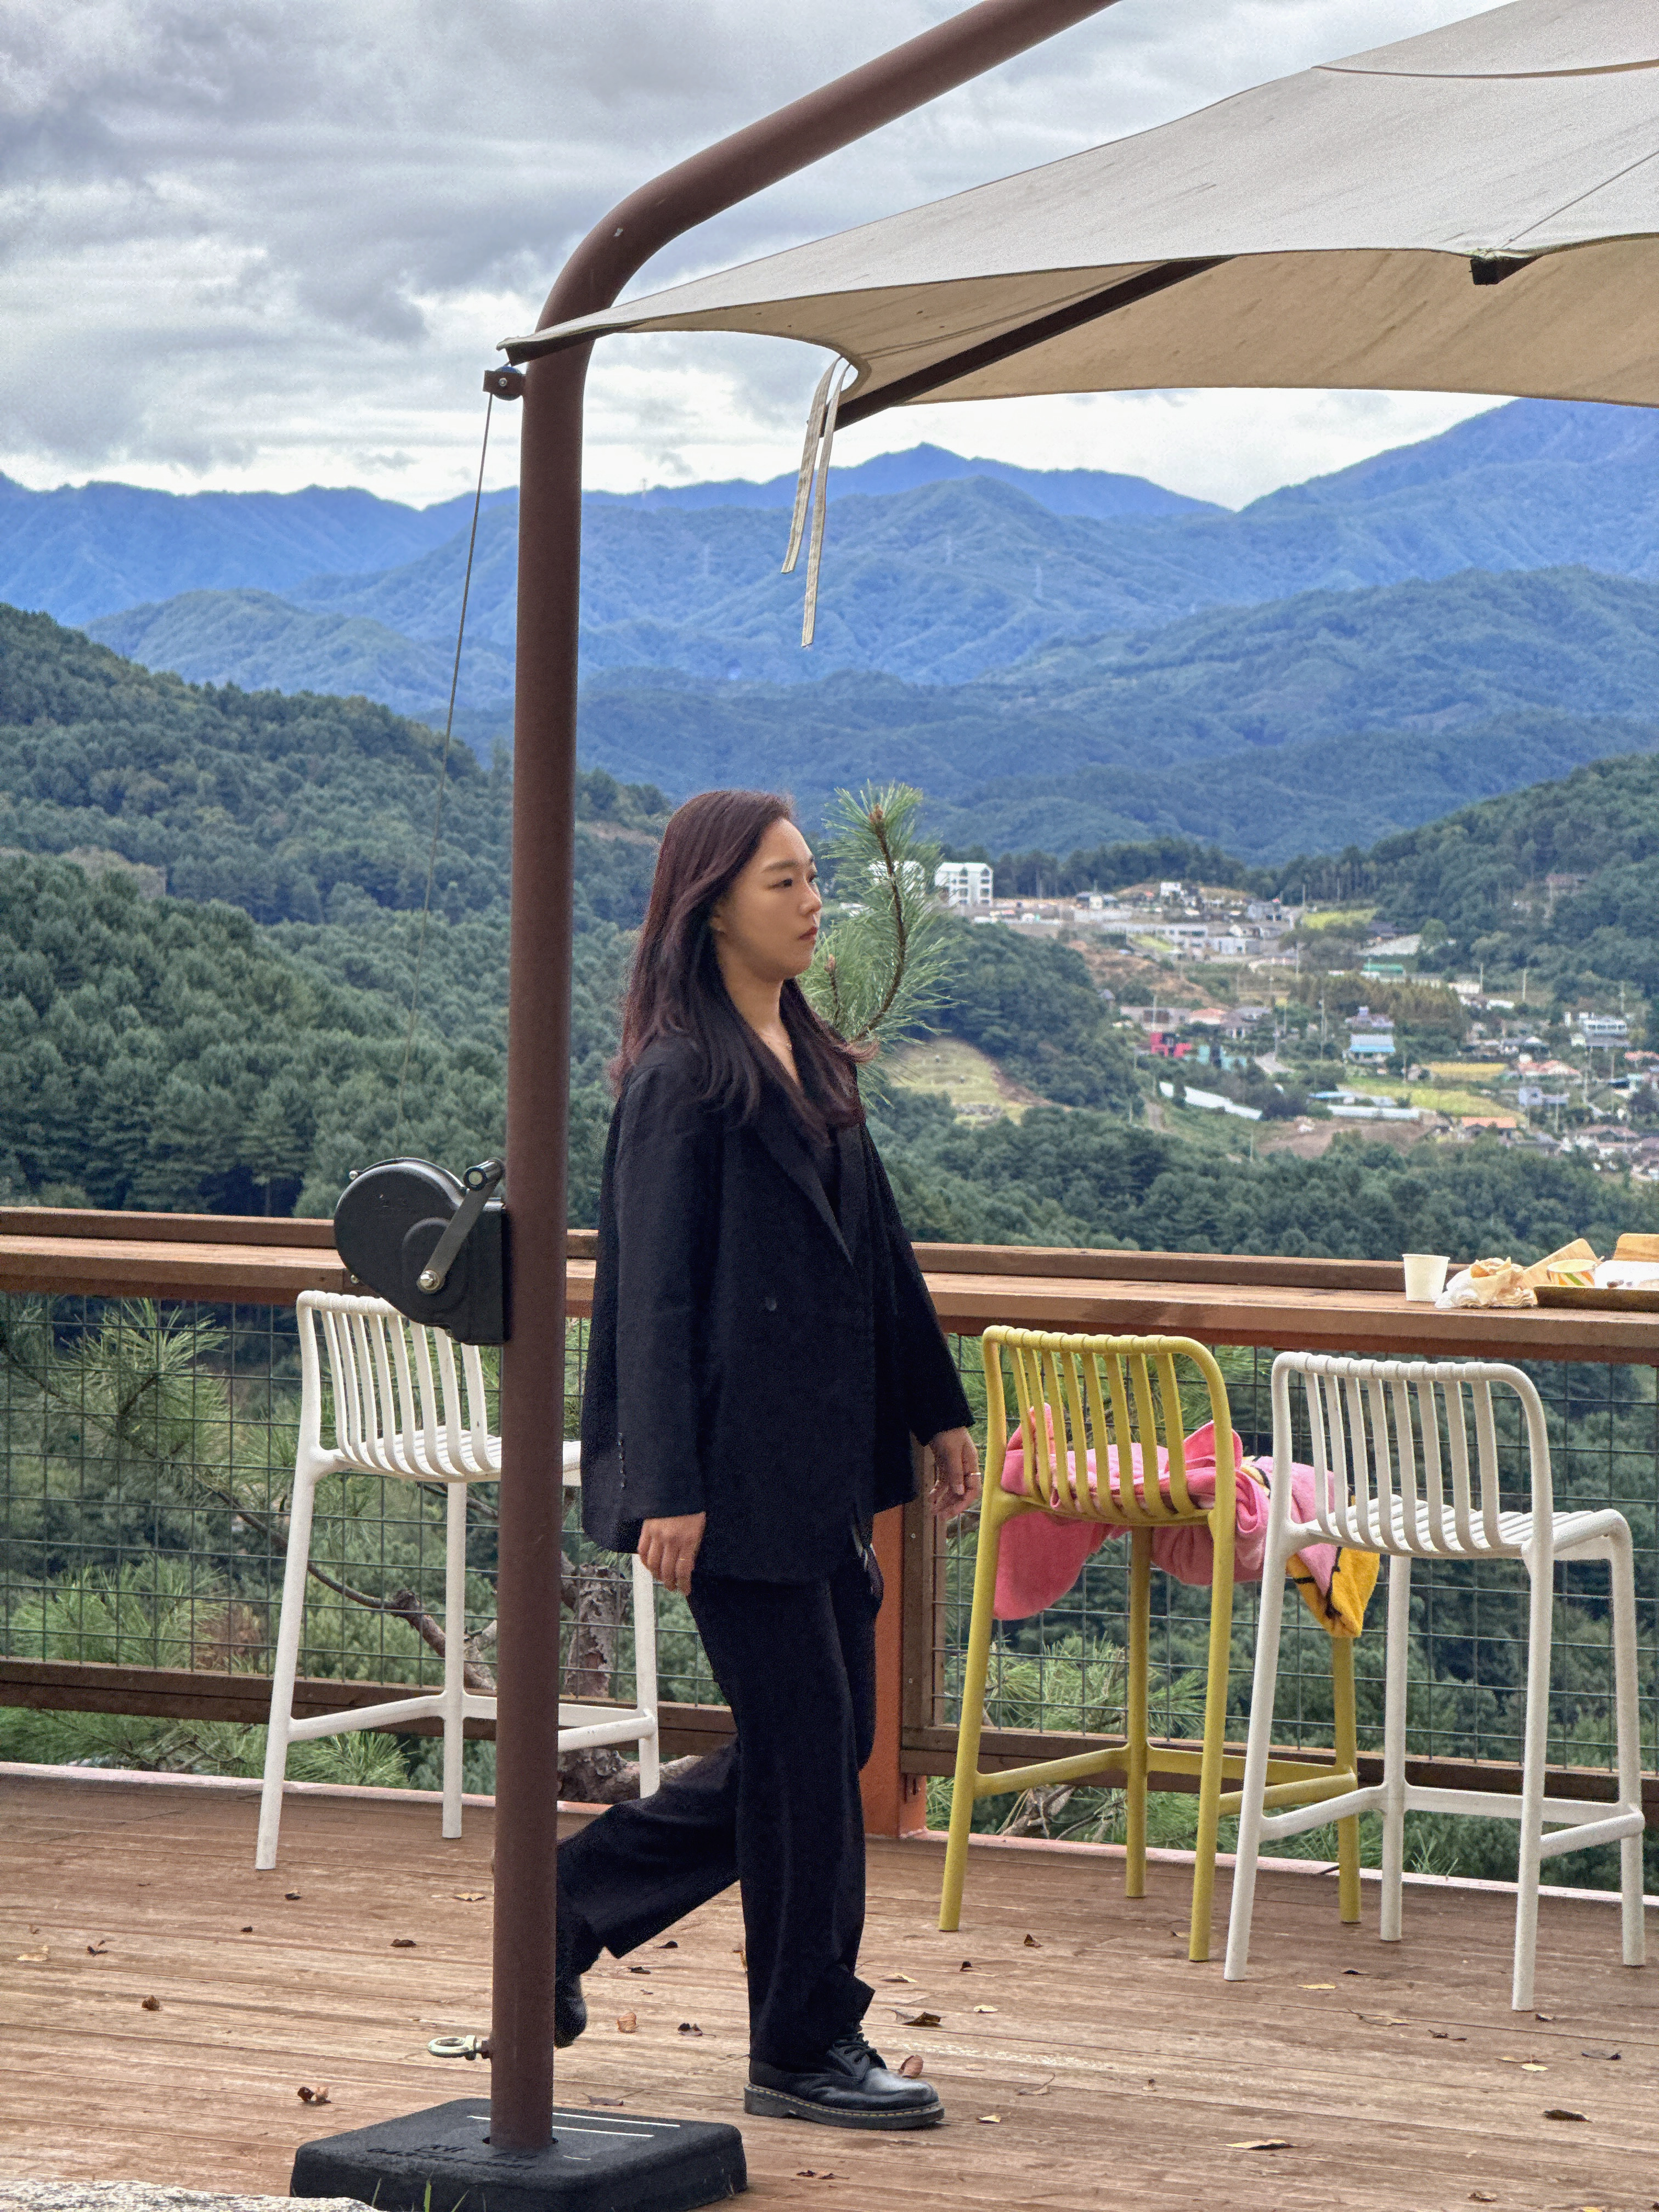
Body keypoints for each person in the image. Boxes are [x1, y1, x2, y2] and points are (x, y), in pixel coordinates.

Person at [557, 787, 980, 2131]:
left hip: (820, 1467)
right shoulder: (681, 1080)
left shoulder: (811, 1055)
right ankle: (803, 2042)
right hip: (728, 1477)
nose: (813, 903)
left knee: (827, 1741)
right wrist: (667, 1485)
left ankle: (562, 1905)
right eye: (784, 882)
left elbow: (882, 1251)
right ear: (712, 909)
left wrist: (939, 1409)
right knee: (806, 1753)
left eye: (812, 878)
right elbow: (650, 1298)